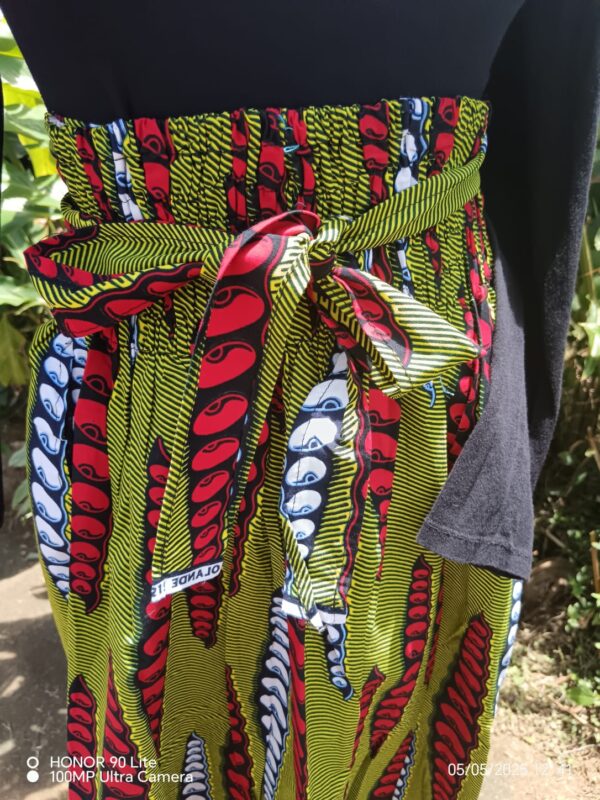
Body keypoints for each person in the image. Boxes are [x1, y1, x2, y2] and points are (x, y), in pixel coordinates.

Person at [2, 2, 599, 798]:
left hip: (407, 372)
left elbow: (546, 124)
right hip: (143, 386)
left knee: (391, 722)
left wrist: (517, 438)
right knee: (154, 734)